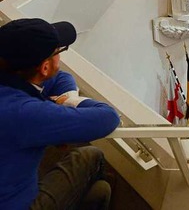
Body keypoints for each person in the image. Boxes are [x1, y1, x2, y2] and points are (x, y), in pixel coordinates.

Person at [0, 18, 120, 209]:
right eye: (58, 52)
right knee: (91, 156)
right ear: (45, 67)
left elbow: (61, 77)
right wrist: (70, 103)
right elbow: (108, 117)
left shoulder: (10, 79)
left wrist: (66, 96)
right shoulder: (25, 112)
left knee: (100, 190)